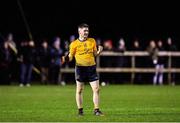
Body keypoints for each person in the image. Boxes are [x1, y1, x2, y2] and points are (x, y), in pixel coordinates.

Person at [62, 23, 104, 116]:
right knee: (79, 90)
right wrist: (66, 58)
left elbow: (95, 55)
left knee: (96, 89)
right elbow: (71, 57)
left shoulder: (92, 41)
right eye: (84, 30)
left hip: (91, 68)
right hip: (80, 69)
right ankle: (80, 111)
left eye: (87, 30)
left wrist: (99, 51)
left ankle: (96, 110)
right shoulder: (74, 44)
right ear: (79, 31)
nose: (86, 32)